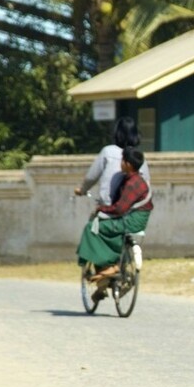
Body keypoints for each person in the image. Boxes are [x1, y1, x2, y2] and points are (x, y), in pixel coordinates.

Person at [76, 147, 153, 285]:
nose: (120, 163)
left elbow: (119, 208)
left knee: (93, 228)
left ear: (128, 164)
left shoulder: (132, 183)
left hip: (131, 221)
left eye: (123, 160)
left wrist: (102, 209)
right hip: (134, 218)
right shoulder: (133, 179)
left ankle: (109, 265)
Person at [74, 116, 151, 206]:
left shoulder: (108, 151)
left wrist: (82, 190)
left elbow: (91, 177)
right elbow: (146, 183)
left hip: (109, 207)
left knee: (93, 220)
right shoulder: (139, 156)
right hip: (132, 208)